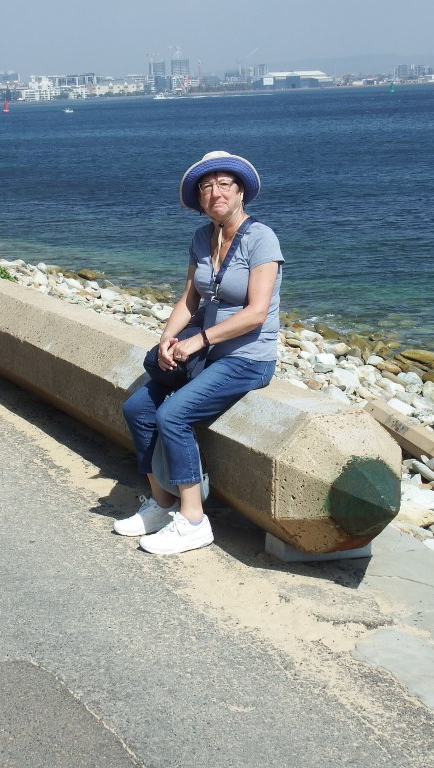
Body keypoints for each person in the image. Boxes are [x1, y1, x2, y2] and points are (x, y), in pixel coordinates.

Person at [117, 151, 284, 555]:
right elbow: (189, 299)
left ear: (240, 191)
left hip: (247, 358)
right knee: (137, 409)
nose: (215, 193)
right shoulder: (201, 238)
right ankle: (162, 504)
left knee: (173, 415)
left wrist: (199, 340)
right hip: (205, 355)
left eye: (224, 184)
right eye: (207, 187)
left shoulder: (261, 238)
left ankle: (193, 521)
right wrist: (168, 337)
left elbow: (256, 313)